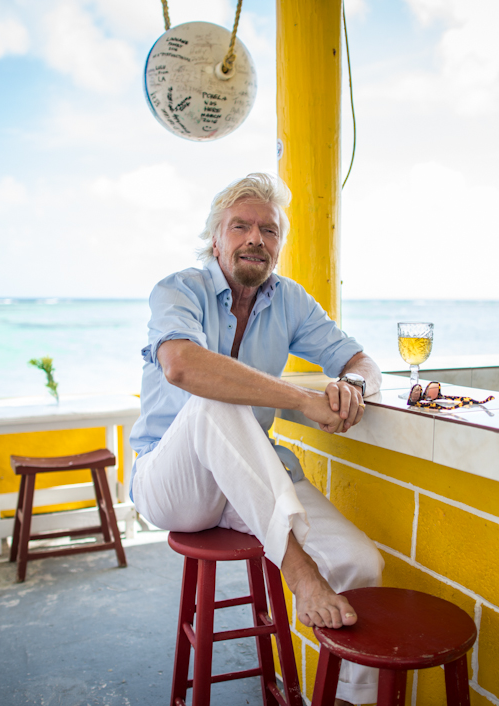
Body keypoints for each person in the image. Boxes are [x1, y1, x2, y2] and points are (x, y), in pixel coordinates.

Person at [129, 173, 383, 705]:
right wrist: (302, 400)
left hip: (248, 481)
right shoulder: (179, 289)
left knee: (361, 563)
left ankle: (346, 700)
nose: (255, 239)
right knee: (211, 398)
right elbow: (181, 367)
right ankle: (300, 573)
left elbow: (360, 360)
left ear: (279, 244)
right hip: (173, 483)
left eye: (269, 230)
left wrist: (353, 386)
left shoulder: (289, 300)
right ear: (216, 239)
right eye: (240, 226)